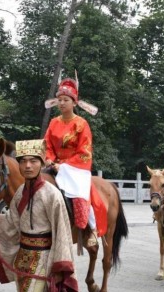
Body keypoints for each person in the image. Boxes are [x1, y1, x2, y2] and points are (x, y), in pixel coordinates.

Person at [0, 139, 78, 292]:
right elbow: (12, 223)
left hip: (43, 260)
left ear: (42, 163)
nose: (27, 165)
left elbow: (62, 232)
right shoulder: (20, 192)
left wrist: (60, 265)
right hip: (23, 260)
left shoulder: (52, 194)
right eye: (23, 160)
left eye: (33, 161)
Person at [44, 77, 98, 247]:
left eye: (65, 100)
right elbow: (47, 145)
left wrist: (65, 166)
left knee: (79, 194)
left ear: (74, 103)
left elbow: (85, 150)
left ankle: (92, 229)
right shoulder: (53, 123)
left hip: (75, 168)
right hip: (54, 164)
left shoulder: (81, 124)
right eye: (59, 100)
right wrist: (49, 159)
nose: (61, 103)